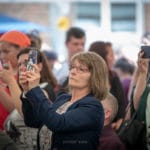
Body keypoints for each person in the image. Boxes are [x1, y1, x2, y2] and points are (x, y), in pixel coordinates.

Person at [19, 51, 109, 150]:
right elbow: (33, 121)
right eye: (72, 67)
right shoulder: (63, 98)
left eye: (81, 69)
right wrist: (27, 91)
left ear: (95, 77)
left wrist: (35, 89)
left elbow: (58, 123)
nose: (73, 72)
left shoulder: (93, 107)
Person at [0, 47, 57, 149]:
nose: (21, 67)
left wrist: (10, 81)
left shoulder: (45, 88)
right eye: (19, 64)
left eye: (26, 62)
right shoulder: (24, 90)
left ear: (39, 66)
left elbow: (24, 113)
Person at [88, 41, 125, 130]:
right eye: (111, 55)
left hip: (114, 128)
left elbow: (121, 104)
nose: (113, 59)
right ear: (100, 57)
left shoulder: (114, 77)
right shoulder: (86, 78)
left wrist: (119, 121)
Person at [0, 30, 31, 129]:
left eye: (6, 51)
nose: (2, 56)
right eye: (0, 52)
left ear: (21, 50)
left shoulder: (28, 76)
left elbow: (17, 111)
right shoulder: (4, 72)